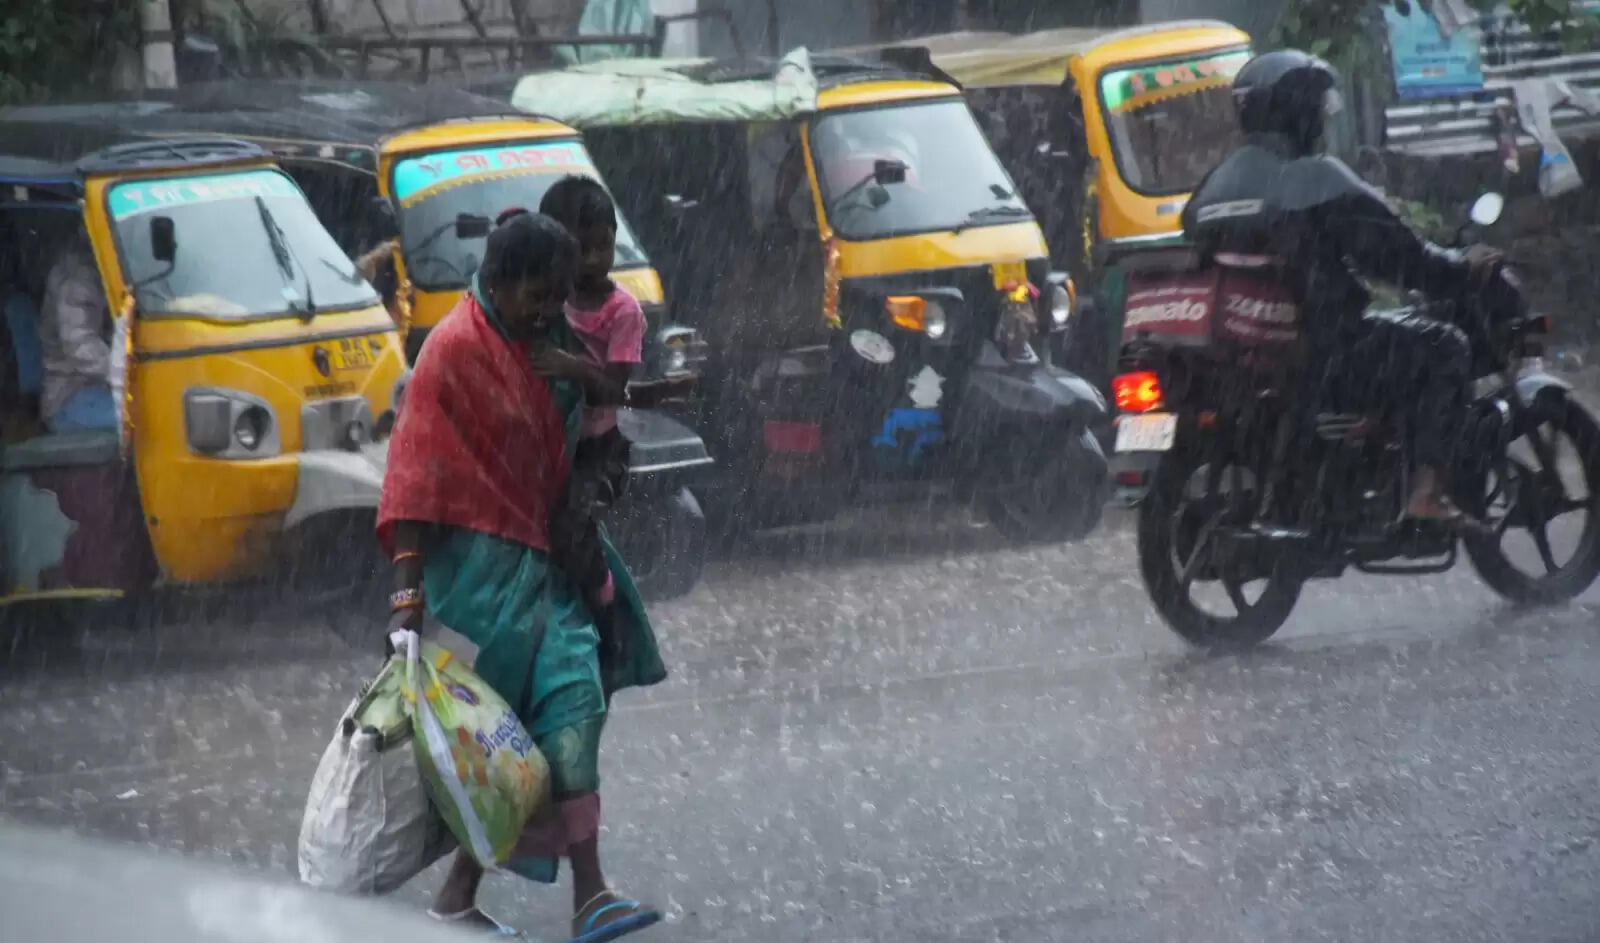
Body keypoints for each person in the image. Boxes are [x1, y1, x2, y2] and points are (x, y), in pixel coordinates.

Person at [377, 210, 666, 942]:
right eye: (537, 295)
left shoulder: (552, 343)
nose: (548, 310)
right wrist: (407, 594)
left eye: (558, 296)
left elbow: (598, 423)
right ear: (498, 282)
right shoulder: (449, 352)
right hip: (479, 582)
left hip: (549, 567)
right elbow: (413, 475)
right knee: (499, 746)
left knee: (572, 705)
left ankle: (588, 892)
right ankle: (461, 896)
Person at [1181, 49, 1515, 524]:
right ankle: (1424, 490)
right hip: (1329, 349)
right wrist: (1463, 268)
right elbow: (1404, 260)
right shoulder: (1314, 177)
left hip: (1254, 351)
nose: (1323, 119)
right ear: (1299, 111)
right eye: (1318, 107)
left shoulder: (1215, 185)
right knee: (1444, 346)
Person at [38, 238, 117, 433]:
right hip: (70, 397)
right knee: (147, 426)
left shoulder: (106, 274)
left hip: (97, 389)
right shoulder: (78, 281)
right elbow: (79, 343)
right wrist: (124, 373)